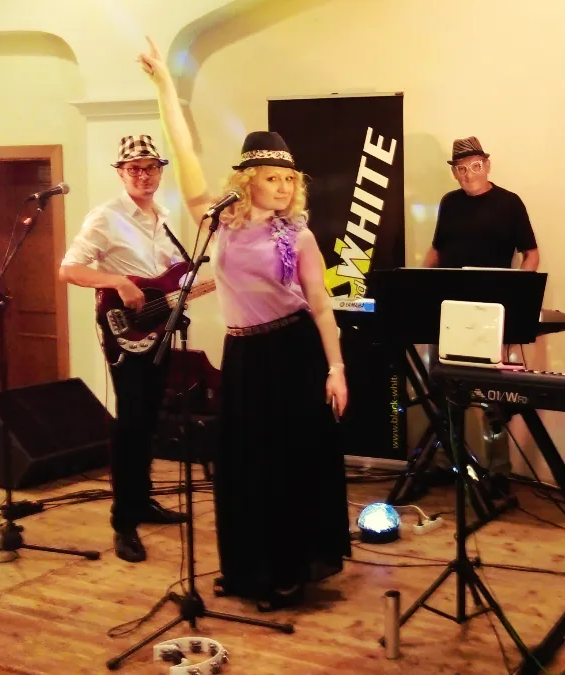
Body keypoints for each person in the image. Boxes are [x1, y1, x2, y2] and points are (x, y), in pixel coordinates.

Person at [138, 37, 350, 611]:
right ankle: (246, 568)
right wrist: (164, 87)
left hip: (291, 352)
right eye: (273, 178)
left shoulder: (299, 236)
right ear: (248, 179)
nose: (284, 187)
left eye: (289, 180)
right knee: (243, 466)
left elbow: (321, 305)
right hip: (244, 354)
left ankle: (286, 573)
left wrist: (336, 369)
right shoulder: (219, 221)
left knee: (284, 466)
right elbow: (183, 152)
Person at [58, 134, 190, 564]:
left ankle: (142, 500)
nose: (143, 176)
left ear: (160, 171)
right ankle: (123, 521)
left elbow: (169, 276)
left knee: (150, 418)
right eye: (134, 169)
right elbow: (69, 269)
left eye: (150, 168)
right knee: (131, 420)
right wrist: (117, 281)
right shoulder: (106, 216)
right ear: (120, 173)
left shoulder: (165, 218)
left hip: (158, 328)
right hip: (123, 329)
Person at [421, 136, 540, 496]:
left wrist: (517, 293)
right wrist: (417, 283)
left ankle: (498, 472)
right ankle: (448, 463)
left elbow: (531, 254)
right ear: (454, 173)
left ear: (487, 165)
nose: (468, 174)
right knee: (444, 389)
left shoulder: (509, 203)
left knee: (493, 395)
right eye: (461, 168)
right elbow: (437, 250)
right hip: (448, 310)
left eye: (475, 166)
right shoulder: (449, 203)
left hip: (491, 313)